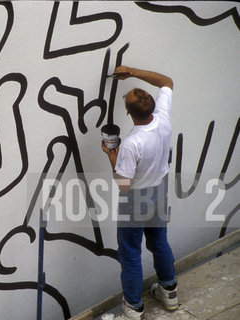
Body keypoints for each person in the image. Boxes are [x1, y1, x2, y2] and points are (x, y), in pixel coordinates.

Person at [101, 65, 178, 319]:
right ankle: (169, 292)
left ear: (128, 112)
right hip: (159, 190)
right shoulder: (162, 119)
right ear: (151, 105)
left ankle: (133, 308)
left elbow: (124, 184)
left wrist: (112, 157)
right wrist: (132, 72)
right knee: (159, 243)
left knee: (131, 253)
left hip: (135, 199)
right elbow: (166, 80)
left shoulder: (132, 143)